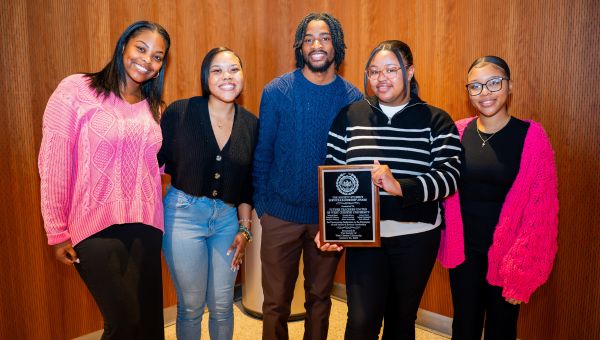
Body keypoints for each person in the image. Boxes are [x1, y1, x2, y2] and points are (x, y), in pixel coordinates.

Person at [316, 40, 463, 340]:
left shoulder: (436, 120)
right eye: (374, 71)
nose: (381, 78)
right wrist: (331, 225)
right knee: (360, 321)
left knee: (401, 321)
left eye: (391, 70)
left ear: (409, 72)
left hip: (417, 239)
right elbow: (334, 171)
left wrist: (401, 187)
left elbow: (450, 177)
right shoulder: (349, 116)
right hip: (365, 240)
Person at [38, 21, 170, 339]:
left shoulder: (154, 109)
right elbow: (53, 160)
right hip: (93, 226)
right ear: (123, 44)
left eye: (157, 56)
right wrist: (56, 230)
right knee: (124, 322)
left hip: (146, 225)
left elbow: (157, 165)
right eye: (141, 48)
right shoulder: (77, 90)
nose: (147, 60)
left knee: (150, 324)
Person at [252, 12, 363, 340]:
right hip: (279, 216)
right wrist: (264, 211)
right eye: (309, 38)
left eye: (325, 37)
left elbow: (352, 166)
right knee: (275, 304)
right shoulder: (276, 92)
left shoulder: (353, 99)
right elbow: (262, 154)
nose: (317, 44)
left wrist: (340, 220)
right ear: (300, 46)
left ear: (337, 45)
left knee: (319, 299)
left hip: (327, 222)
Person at [444, 56, 559, 340]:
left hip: (509, 257)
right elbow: (442, 186)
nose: (485, 93)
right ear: (468, 92)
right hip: (464, 255)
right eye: (475, 86)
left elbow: (540, 211)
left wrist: (522, 272)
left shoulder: (532, 136)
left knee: (501, 331)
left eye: (494, 83)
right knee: (463, 328)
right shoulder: (457, 132)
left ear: (509, 86)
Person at [158, 47, 257, 340]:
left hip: (228, 220)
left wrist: (245, 227)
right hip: (183, 216)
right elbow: (154, 162)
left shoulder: (251, 124)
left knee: (223, 305)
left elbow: (247, 183)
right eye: (217, 70)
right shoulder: (181, 112)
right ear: (205, 77)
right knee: (191, 306)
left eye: (234, 69)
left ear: (242, 76)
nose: (227, 76)